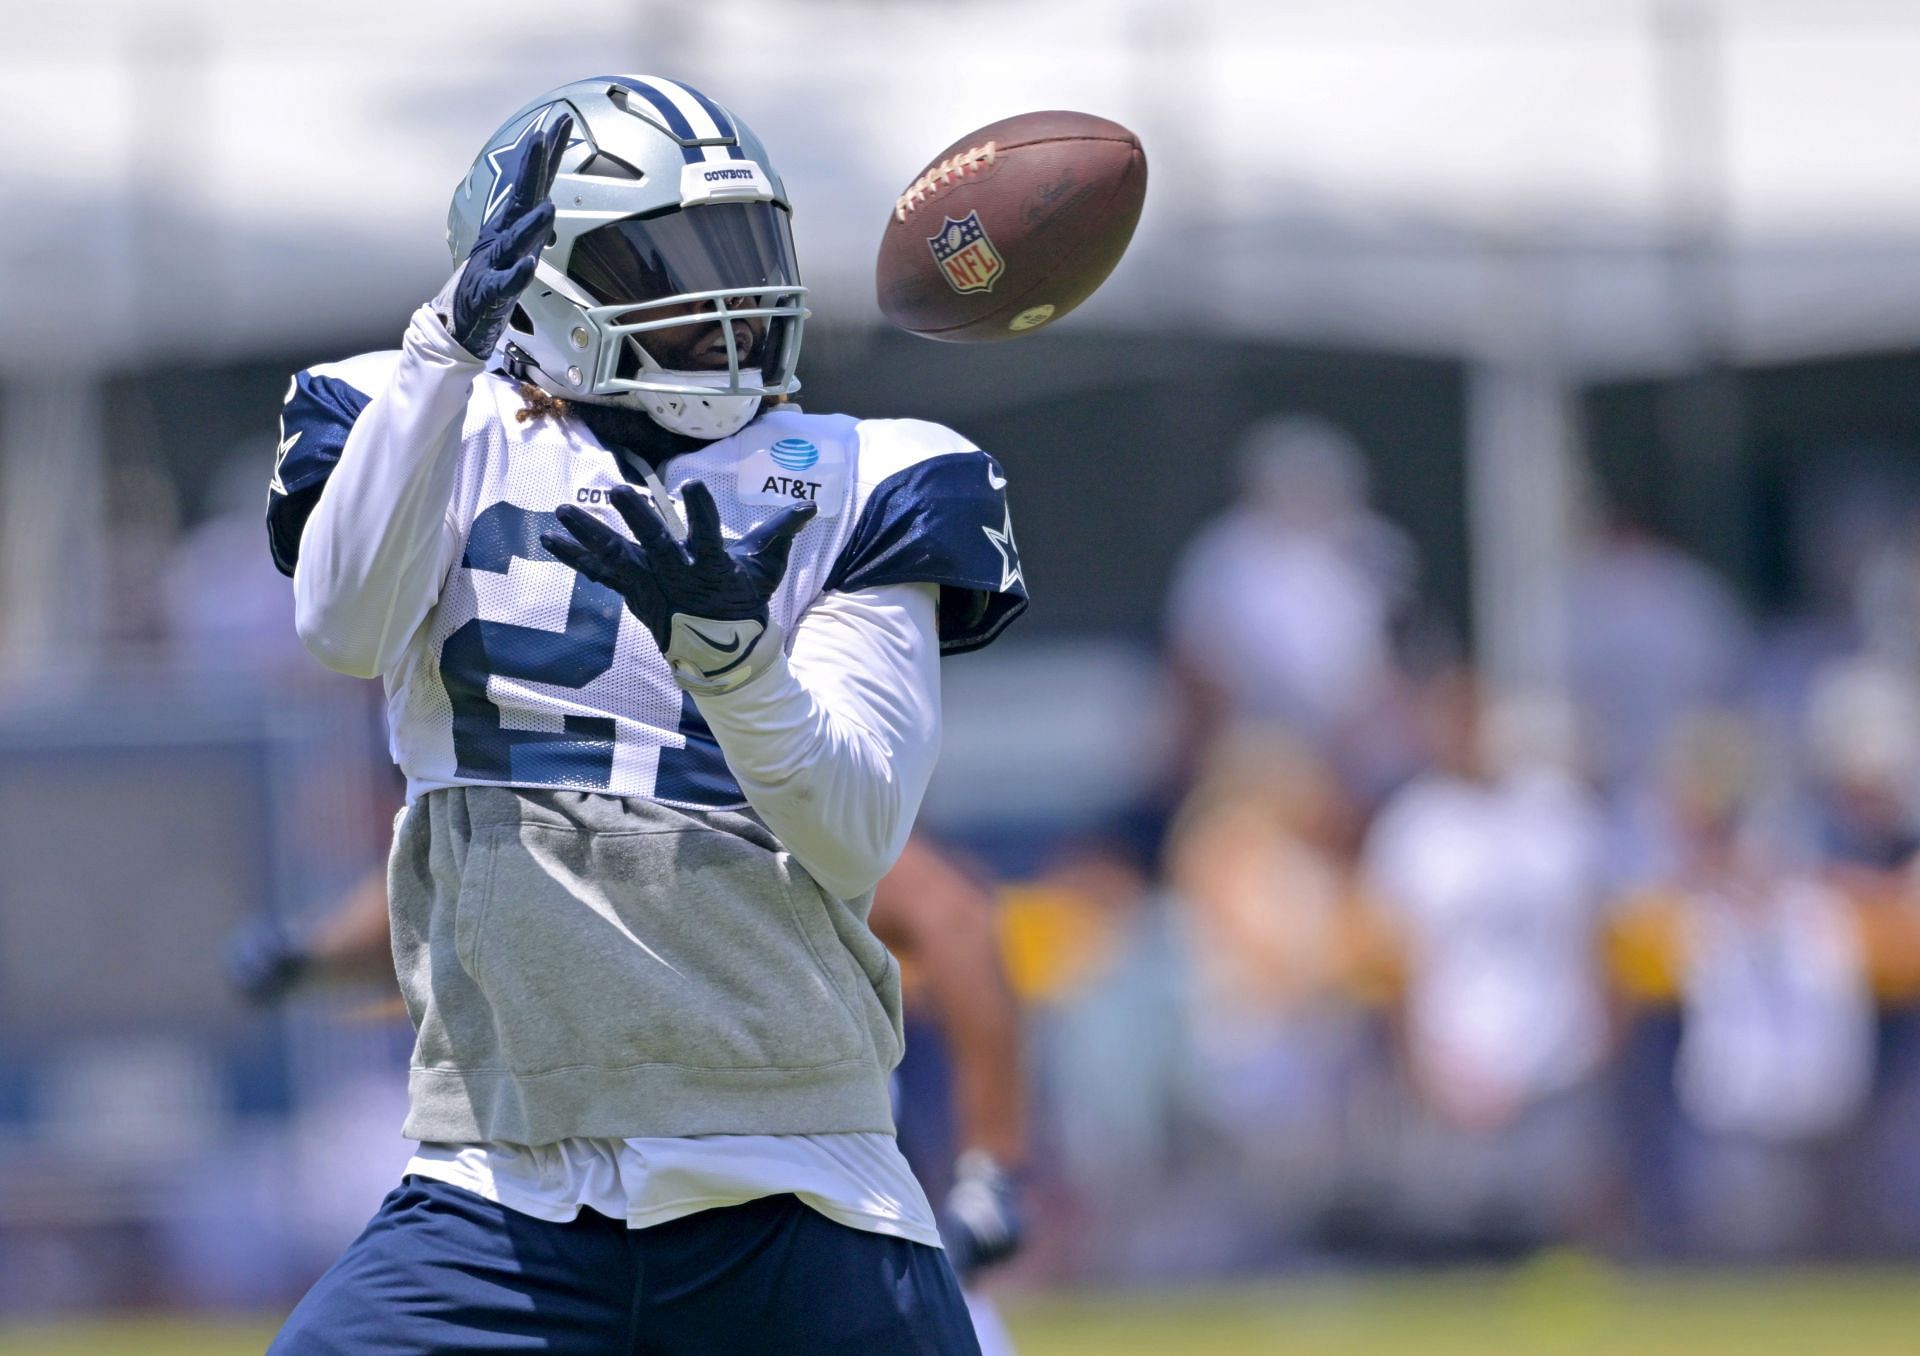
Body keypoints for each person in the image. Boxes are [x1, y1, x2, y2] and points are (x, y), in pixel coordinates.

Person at [263, 75, 1025, 1354]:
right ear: (542, 281)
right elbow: (342, 627)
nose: (727, 296)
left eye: (744, 247)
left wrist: (733, 662)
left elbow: (856, 832)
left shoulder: (870, 472)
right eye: (665, 256)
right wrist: (442, 350)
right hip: (498, 1180)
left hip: (797, 1184)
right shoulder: (419, 415)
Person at [233, 835, 1030, 1352]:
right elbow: (443, 882)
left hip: (807, 1224)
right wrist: (306, 953)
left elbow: (952, 917)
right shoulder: (518, 785)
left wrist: (991, 1169)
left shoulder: (716, 785)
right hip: (562, 1225)